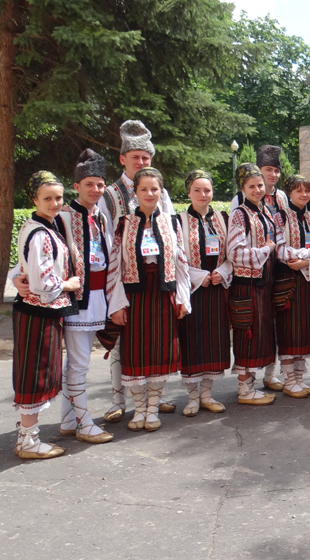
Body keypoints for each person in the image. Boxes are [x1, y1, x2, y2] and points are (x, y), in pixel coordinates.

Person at [97, 119, 175, 422]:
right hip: (123, 276)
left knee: (157, 338)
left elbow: (168, 230)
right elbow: (104, 237)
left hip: (156, 277)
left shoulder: (160, 190)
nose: (141, 162)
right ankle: (120, 400)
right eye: (136, 158)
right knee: (122, 340)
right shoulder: (110, 193)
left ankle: (158, 397)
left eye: (146, 158)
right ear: (123, 159)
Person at [106, 167, 191, 433]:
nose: (149, 193)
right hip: (135, 295)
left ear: (161, 192)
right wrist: (117, 303)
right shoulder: (124, 224)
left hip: (163, 293)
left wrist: (182, 297)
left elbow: (181, 263)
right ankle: (139, 408)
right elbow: (114, 266)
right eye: (144, 189)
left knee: (160, 350)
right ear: (135, 192)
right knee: (135, 352)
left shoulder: (170, 221)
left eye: (154, 189)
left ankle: (153, 408)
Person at [9, 171, 81, 459]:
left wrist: (17, 276)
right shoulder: (41, 233)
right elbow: (41, 283)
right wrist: (68, 284)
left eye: (58, 197)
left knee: (36, 373)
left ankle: (28, 436)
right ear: (34, 199)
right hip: (38, 313)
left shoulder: (39, 226)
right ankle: (28, 441)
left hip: (38, 312)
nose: (54, 203)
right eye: (47, 198)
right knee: (35, 375)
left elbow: (23, 267)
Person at [55, 150, 115, 444]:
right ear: (76, 185)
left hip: (98, 298)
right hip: (77, 301)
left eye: (100, 185)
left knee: (78, 363)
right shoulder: (63, 217)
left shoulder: (101, 217)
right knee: (78, 364)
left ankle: (68, 419)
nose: (95, 190)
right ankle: (84, 422)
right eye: (89, 183)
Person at [229, 144, 289, 391]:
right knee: (248, 332)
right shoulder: (240, 212)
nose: (258, 189)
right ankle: (245, 388)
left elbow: (280, 235)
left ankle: (260, 380)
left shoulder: (266, 209)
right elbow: (234, 250)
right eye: (252, 185)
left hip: (266, 277)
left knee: (265, 329)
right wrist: (266, 249)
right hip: (247, 280)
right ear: (243, 188)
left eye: (260, 185)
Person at [176, 170, 232, 416]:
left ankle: (207, 394)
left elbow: (231, 254)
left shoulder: (222, 218)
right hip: (191, 291)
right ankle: (192, 397)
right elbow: (175, 259)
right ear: (188, 192)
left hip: (217, 290)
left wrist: (222, 271)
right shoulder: (177, 221)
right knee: (192, 343)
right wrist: (200, 277)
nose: (202, 194)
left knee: (213, 343)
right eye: (197, 190)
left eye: (207, 190)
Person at [275, 174, 310, 397]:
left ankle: (299, 379)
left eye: (307, 190)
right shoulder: (280, 217)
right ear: (289, 193)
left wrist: (307, 262)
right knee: (289, 331)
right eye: (299, 191)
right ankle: (289, 381)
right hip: (289, 282)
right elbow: (278, 249)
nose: (304, 194)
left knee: (306, 331)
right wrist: (305, 254)